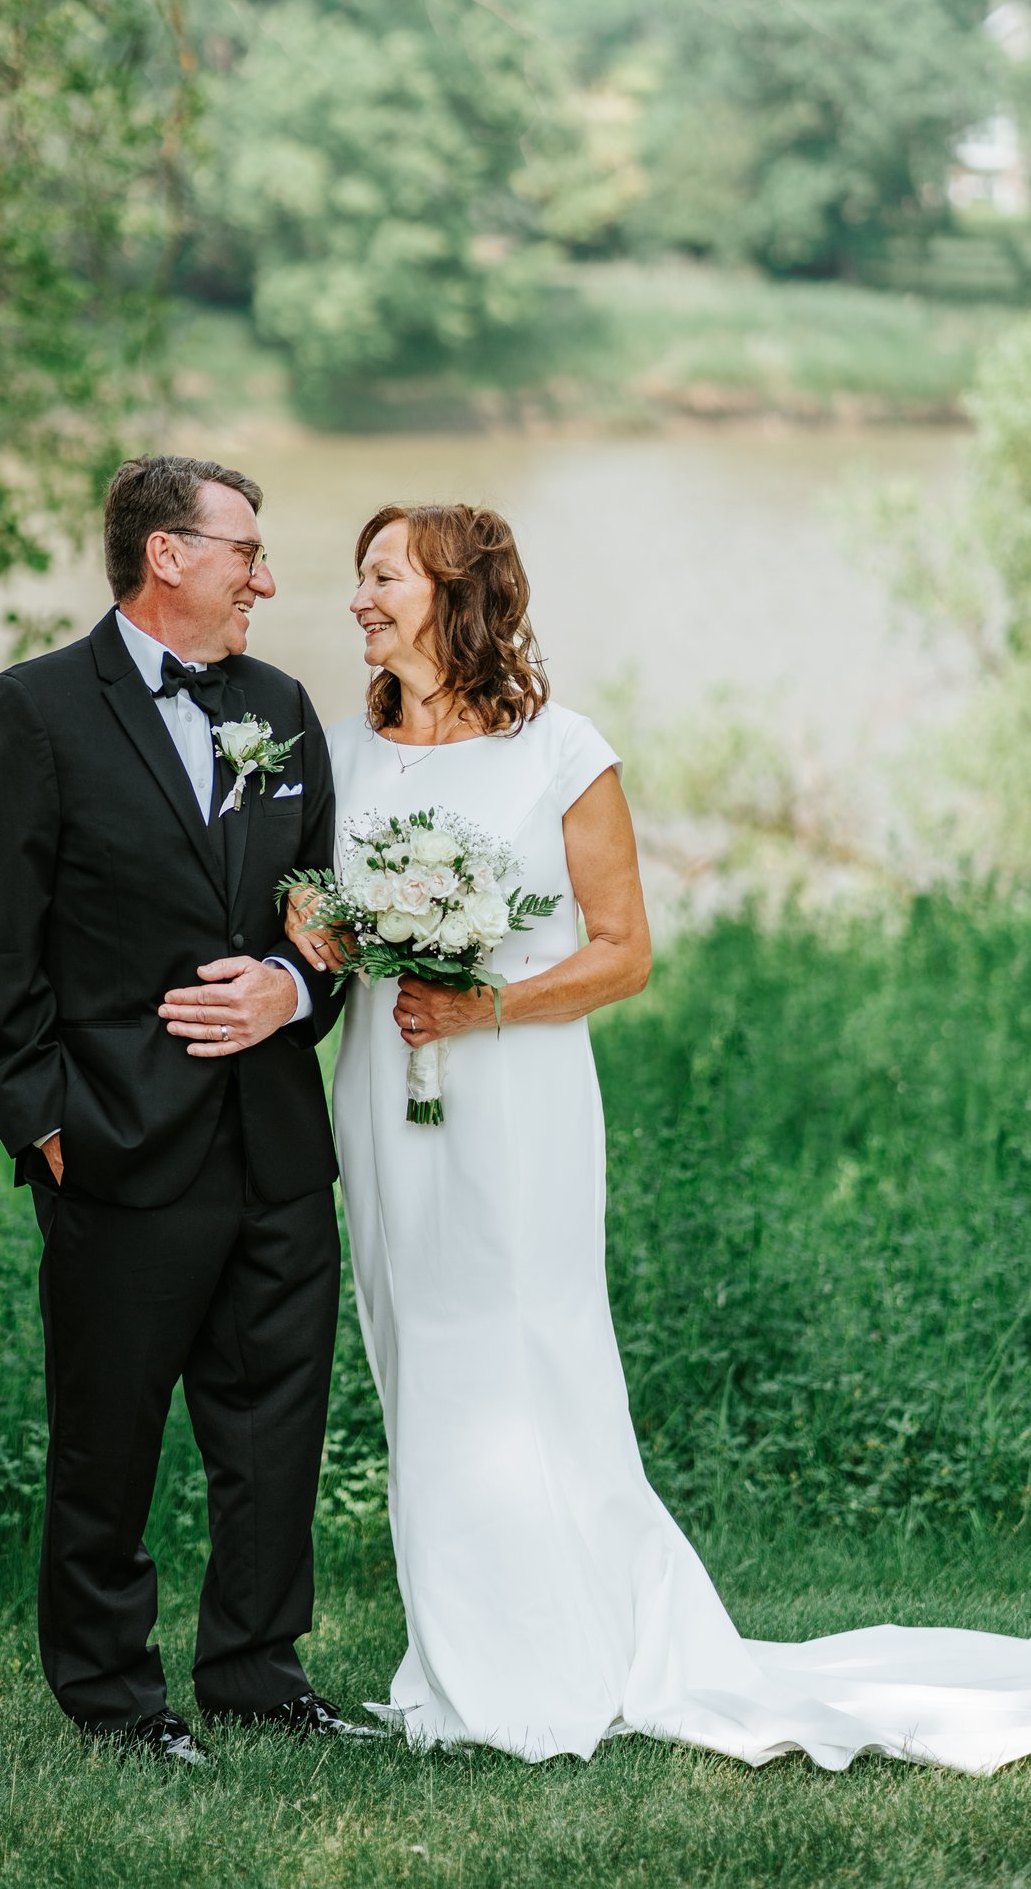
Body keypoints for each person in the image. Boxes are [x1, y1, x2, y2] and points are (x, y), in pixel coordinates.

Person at [285, 500, 1031, 1772]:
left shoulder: (562, 751)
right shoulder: (344, 750)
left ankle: (557, 1651)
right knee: (416, 1352)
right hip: (382, 1090)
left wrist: (484, 1004)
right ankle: (458, 1648)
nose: (358, 596)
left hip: (514, 1095)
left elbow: (624, 952)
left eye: (383, 575)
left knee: (528, 1347)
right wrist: (332, 935)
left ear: (457, 594)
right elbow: (320, 907)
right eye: (359, 576)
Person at [0, 453, 376, 1765]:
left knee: (275, 1427)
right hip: (118, 1147)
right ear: (168, 555)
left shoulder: (283, 709)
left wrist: (292, 992)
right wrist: (46, 1124)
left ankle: (255, 1667)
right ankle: (112, 1698)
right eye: (248, 551)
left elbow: (326, 915)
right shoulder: (34, 712)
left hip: (276, 1148)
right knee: (108, 1438)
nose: (268, 577)